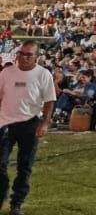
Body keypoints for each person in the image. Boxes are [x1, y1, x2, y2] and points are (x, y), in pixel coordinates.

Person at [0, 41, 56, 215]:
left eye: (28, 55)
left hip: (30, 123)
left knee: (25, 165)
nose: (23, 57)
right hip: (5, 124)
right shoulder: (6, 73)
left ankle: (17, 203)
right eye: (20, 53)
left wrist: (45, 123)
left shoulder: (43, 74)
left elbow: (49, 101)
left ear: (36, 57)